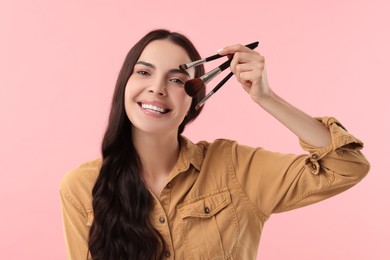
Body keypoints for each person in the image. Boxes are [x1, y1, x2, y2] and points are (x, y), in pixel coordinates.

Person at [59, 29, 370, 260]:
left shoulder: (234, 168)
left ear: (195, 100)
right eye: (143, 72)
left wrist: (266, 97)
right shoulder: (80, 187)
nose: (157, 88)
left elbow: (346, 166)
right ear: (124, 84)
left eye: (177, 80)